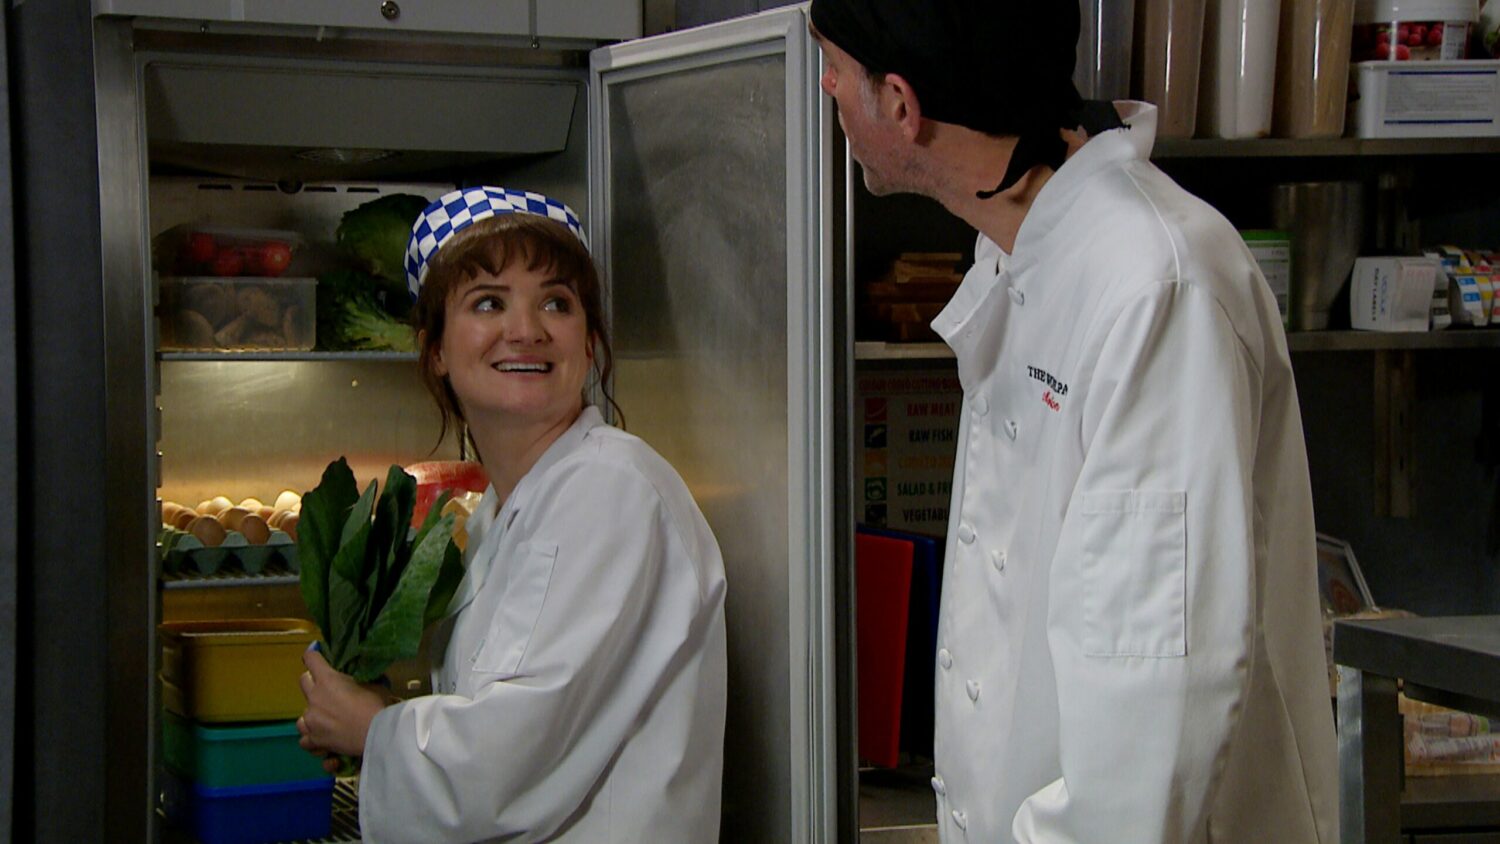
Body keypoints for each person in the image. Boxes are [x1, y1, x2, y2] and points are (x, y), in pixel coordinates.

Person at [809, 2, 1338, 842]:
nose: (827, 86)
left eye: (834, 65)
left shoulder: (1156, 283)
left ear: (902, 107)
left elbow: (1151, 720)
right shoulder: (1022, 244)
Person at [296, 186, 728, 843]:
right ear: (436, 348)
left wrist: (374, 731)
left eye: (556, 302)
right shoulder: (510, 507)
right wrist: (384, 719)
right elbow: (515, 712)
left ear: (588, 344)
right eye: (488, 302)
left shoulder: (608, 489)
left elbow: (510, 763)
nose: (526, 328)